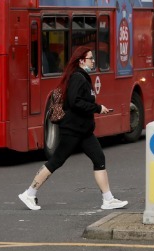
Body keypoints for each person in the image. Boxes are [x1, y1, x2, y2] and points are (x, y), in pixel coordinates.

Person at [18, 45, 129, 211]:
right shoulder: (78, 77)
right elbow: (75, 102)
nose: (93, 61)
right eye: (91, 58)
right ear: (81, 61)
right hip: (73, 130)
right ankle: (29, 193)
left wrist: (97, 108)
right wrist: (97, 108)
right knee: (56, 161)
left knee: (99, 159)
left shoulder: (81, 76)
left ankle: (108, 199)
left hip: (83, 131)